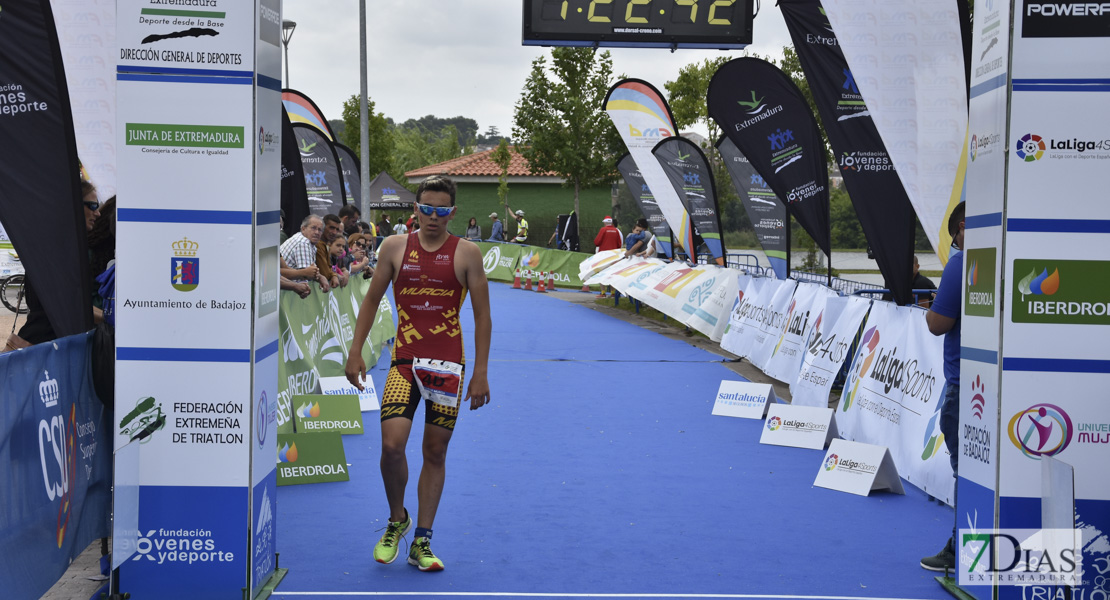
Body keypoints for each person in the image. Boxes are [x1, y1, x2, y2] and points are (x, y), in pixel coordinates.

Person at [344, 175, 492, 572]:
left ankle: (422, 541)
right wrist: (355, 351)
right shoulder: (394, 247)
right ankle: (397, 520)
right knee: (391, 447)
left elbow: (482, 316)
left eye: (441, 210)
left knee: (435, 451)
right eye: (426, 208)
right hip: (405, 361)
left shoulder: (467, 253)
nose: (433, 217)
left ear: (452, 213)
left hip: (447, 365)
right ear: (415, 209)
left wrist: (480, 373)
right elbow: (372, 299)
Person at [920, 201, 964, 573]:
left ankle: (961, 548)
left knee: (963, 469)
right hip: (994, 386)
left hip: (965, 387)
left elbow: (938, 324)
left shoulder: (961, 263)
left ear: (962, 228)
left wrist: (931, 310)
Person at [15, 179, 103, 347]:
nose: (98, 213)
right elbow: (72, 305)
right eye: (92, 206)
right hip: (45, 346)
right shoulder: (55, 248)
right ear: (74, 206)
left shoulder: (59, 244)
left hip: (51, 343)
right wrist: (110, 318)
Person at [279, 215, 329, 289]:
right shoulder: (303, 242)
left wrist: (319, 276)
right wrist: (320, 277)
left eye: (320, 230)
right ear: (303, 229)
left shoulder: (308, 242)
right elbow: (307, 275)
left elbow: (311, 272)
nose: (317, 232)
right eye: (313, 228)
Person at [317, 214, 347, 290]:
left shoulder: (324, 245)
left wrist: (336, 274)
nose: (334, 232)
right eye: (331, 228)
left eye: (337, 229)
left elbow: (328, 270)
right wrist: (335, 275)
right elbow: (325, 273)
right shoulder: (317, 244)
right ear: (323, 227)